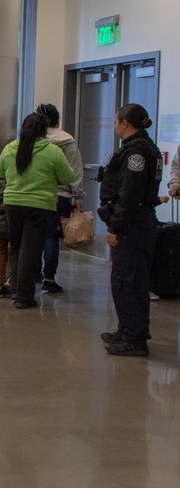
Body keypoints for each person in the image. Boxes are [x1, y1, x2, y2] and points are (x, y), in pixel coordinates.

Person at [98, 103, 163, 357]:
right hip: (137, 222)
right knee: (125, 279)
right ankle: (127, 329)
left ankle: (134, 337)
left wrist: (115, 225)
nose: (114, 124)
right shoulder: (143, 147)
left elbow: (130, 196)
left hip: (133, 225)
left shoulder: (136, 153)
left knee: (129, 280)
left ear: (125, 123)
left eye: (116, 120)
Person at [0, 112, 75, 309]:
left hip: (12, 203)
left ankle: (16, 288)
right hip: (40, 206)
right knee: (30, 251)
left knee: (15, 246)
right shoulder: (52, 151)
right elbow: (68, 177)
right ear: (44, 130)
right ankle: (23, 296)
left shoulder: (10, 148)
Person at [35, 103, 85, 293]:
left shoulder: (31, 139)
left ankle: (33, 272)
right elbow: (75, 171)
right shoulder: (67, 141)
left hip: (34, 194)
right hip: (59, 195)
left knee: (32, 235)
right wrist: (77, 195)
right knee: (51, 237)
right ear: (57, 120)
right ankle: (49, 278)